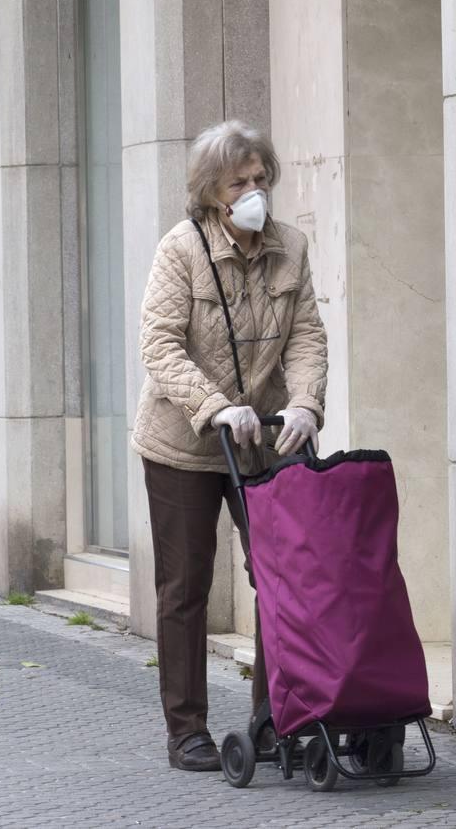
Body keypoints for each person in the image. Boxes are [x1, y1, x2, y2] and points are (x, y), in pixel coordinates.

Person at [131, 120, 329, 771]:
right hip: (183, 441)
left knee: (281, 577)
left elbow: (305, 335)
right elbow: (159, 344)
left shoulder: (291, 248)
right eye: (239, 182)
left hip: (262, 442)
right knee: (185, 586)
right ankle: (186, 729)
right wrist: (214, 407)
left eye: (259, 178)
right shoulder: (180, 250)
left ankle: (276, 719)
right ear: (212, 193)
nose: (254, 191)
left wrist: (304, 403)